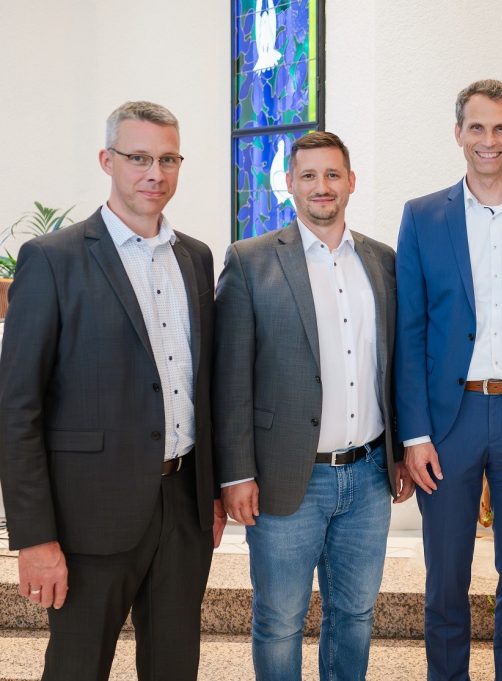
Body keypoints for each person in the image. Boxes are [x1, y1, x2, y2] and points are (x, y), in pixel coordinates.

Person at [0, 101, 224, 680]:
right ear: (107, 160)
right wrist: (35, 538)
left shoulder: (195, 259)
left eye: (168, 158)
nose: (156, 173)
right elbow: (16, 407)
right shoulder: (52, 260)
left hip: (183, 511)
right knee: (76, 668)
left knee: (174, 668)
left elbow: (204, 387)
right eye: (139, 158)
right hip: (88, 518)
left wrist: (212, 493)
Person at [214, 131, 412, 681]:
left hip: (369, 475)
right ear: (289, 185)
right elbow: (229, 380)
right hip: (284, 478)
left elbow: (393, 367)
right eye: (308, 176)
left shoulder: (383, 262)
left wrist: (398, 450)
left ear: (351, 182)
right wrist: (236, 473)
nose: (321, 187)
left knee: (355, 614)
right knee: (279, 619)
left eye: (331, 175)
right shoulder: (249, 262)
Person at [394, 79, 502, 680]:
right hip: (450, 421)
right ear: (458, 134)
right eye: (477, 127)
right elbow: (410, 330)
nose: (488, 140)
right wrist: (413, 433)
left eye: (500, 128)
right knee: (446, 577)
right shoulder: (422, 216)